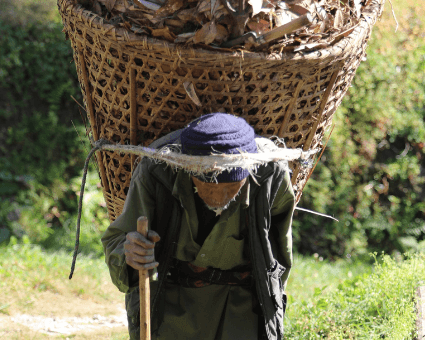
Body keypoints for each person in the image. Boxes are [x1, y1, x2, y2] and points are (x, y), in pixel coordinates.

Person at [101, 113, 296, 340]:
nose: (220, 195)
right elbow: (118, 239)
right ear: (189, 169)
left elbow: (280, 251)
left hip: (242, 311)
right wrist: (130, 253)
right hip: (171, 305)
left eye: (232, 185)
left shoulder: (271, 173)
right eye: (209, 186)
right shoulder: (158, 169)